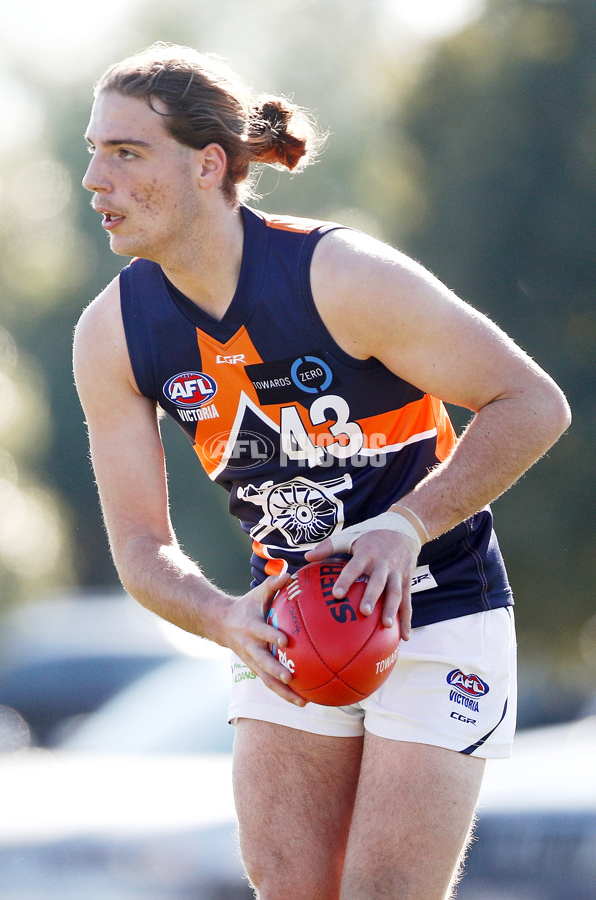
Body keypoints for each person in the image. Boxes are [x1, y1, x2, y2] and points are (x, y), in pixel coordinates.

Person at [73, 42, 570, 900]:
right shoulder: (112, 333)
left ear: (208, 165)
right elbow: (141, 547)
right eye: (93, 152)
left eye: (125, 152)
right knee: (291, 888)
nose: (94, 180)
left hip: (439, 611)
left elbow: (532, 404)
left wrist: (406, 526)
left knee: (385, 892)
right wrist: (226, 618)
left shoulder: (339, 276)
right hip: (289, 628)